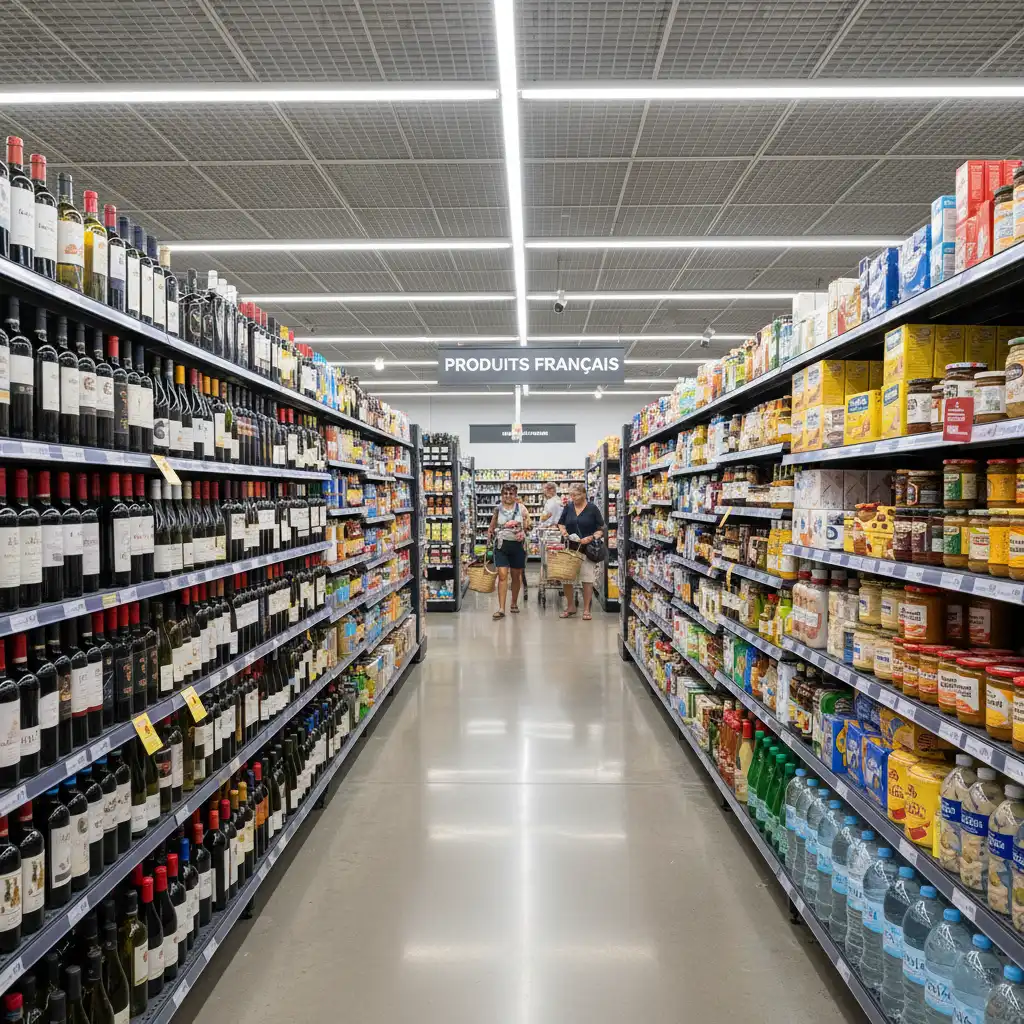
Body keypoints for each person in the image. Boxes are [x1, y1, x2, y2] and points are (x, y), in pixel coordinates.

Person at [558, 481, 605, 621]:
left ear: (584, 494)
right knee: (567, 578)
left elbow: (601, 528)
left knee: (587, 579)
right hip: (569, 548)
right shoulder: (568, 507)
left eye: (577, 495)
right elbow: (561, 523)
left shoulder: (592, 508)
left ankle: (586, 610)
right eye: (572, 495)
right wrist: (564, 532)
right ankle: (571, 606)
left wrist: (591, 537)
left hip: (586, 549)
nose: (574, 497)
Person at [487, 483, 531, 619]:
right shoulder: (497, 509)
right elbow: (491, 527)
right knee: (502, 576)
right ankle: (501, 608)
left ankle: (513, 603)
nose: (508, 496)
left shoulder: (522, 508)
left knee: (516, 576)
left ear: (515, 495)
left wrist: (524, 528)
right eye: (505, 493)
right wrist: (490, 535)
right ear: (502, 495)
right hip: (501, 546)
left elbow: (529, 526)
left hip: (518, 546)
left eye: (511, 493)